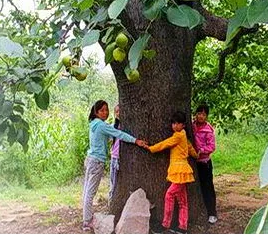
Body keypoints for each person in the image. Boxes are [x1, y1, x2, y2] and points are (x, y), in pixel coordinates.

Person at [82, 100, 147, 231]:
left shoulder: (93, 123)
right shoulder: (101, 125)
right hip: (97, 161)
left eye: (106, 110)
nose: (105, 113)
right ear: (96, 112)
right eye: (102, 110)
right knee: (90, 192)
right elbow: (119, 134)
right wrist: (136, 141)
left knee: (86, 190)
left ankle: (86, 218)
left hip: (90, 159)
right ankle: (87, 221)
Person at [146, 111, 198, 234]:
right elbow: (190, 147)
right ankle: (183, 227)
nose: (175, 126)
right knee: (182, 201)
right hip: (180, 171)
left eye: (178, 123)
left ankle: (165, 224)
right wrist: (196, 155)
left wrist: (151, 148)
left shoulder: (178, 136)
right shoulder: (183, 135)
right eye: (173, 123)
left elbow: (165, 143)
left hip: (180, 170)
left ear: (183, 125)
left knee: (169, 195)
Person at [192, 103, 217, 224]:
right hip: (192, 162)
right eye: (198, 113)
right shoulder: (192, 126)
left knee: (207, 187)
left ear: (206, 116)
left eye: (203, 114)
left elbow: (212, 146)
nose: (200, 116)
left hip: (204, 163)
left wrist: (201, 151)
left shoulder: (208, 130)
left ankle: (212, 213)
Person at [108, 104, 121, 207]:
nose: (118, 113)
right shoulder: (113, 127)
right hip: (114, 157)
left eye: (120, 111)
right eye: (116, 111)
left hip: (121, 158)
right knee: (113, 182)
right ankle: (111, 201)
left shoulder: (128, 127)